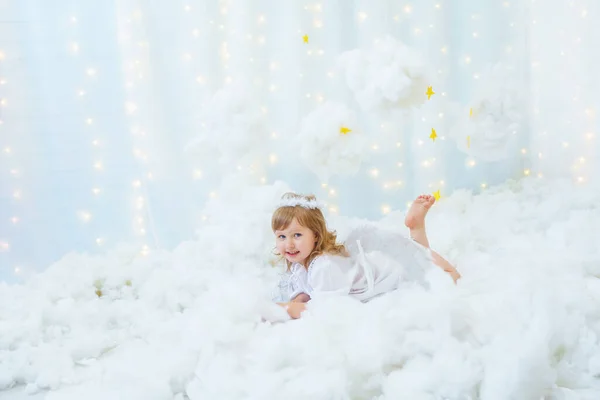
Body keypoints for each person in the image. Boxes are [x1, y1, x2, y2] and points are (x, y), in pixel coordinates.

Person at [272, 192, 461, 319]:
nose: (288, 244)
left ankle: (417, 227)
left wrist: (280, 309)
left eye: (297, 235)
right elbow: (305, 293)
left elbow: (322, 311)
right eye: (281, 236)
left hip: (391, 269)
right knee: (420, 255)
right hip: (380, 266)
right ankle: (416, 228)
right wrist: (295, 302)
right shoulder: (300, 263)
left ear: (316, 234)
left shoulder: (324, 265)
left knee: (451, 277)